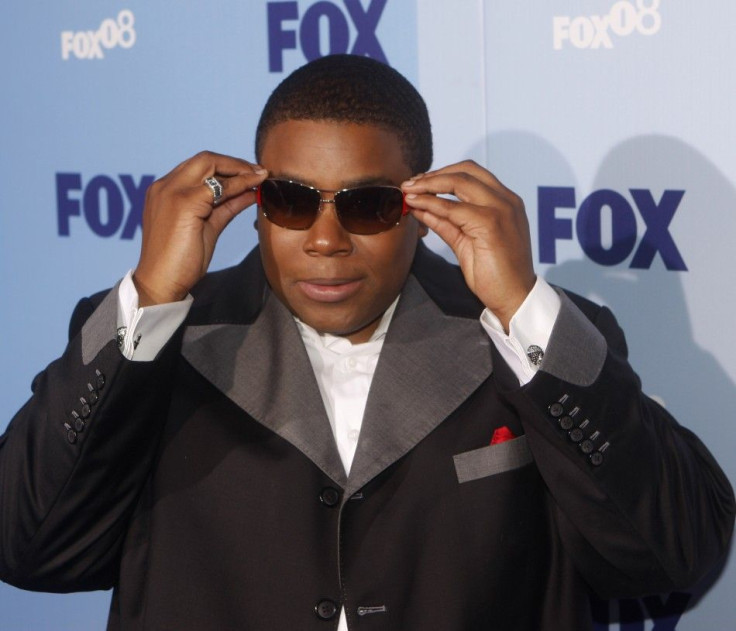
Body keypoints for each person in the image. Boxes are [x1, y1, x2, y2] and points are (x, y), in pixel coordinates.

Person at [0, 54, 733, 631]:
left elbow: (676, 552)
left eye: (368, 204)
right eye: (291, 200)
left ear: (419, 207)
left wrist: (520, 305)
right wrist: (151, 297)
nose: (325, 238)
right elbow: (28, 545)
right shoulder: (152, 338)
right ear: (253, 205)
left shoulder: (529, 338)